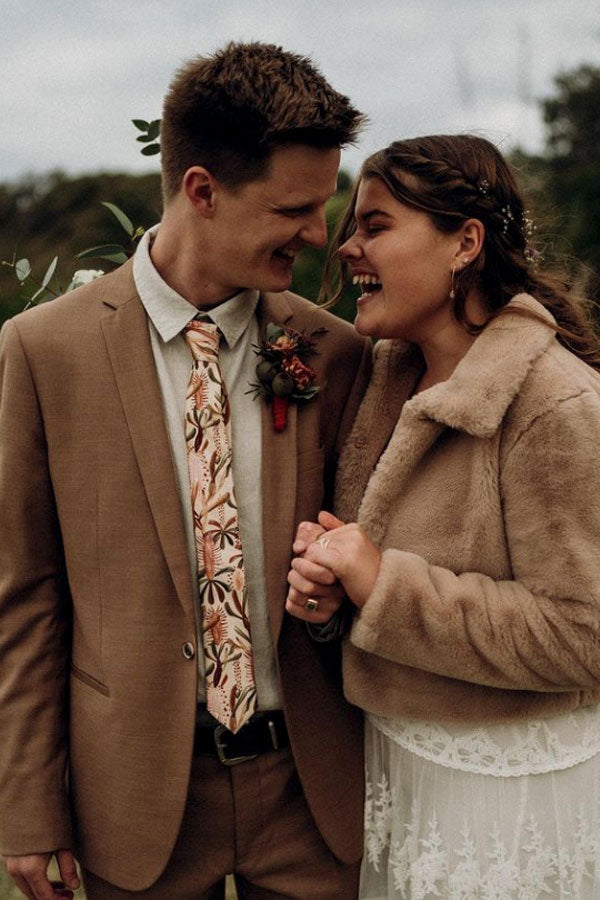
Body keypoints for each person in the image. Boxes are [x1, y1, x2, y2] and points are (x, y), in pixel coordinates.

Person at [0, 42, 372, 900]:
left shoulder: (335, 351)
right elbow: (25, 592)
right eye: (294, 208)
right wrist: (27, 804)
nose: (320, 235)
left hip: (310, 792)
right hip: (131, 793)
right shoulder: (44, 350)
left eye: (327, 205)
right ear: (201, 190)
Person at [286, 134, 600, 898]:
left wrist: (383, 580)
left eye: (376, 225)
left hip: (508, 799)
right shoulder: (390, 374)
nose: (346, 246)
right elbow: (374, 572)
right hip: (401, 772)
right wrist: (333, 595)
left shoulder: (554, 403)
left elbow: (583, 633)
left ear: (465, 242)